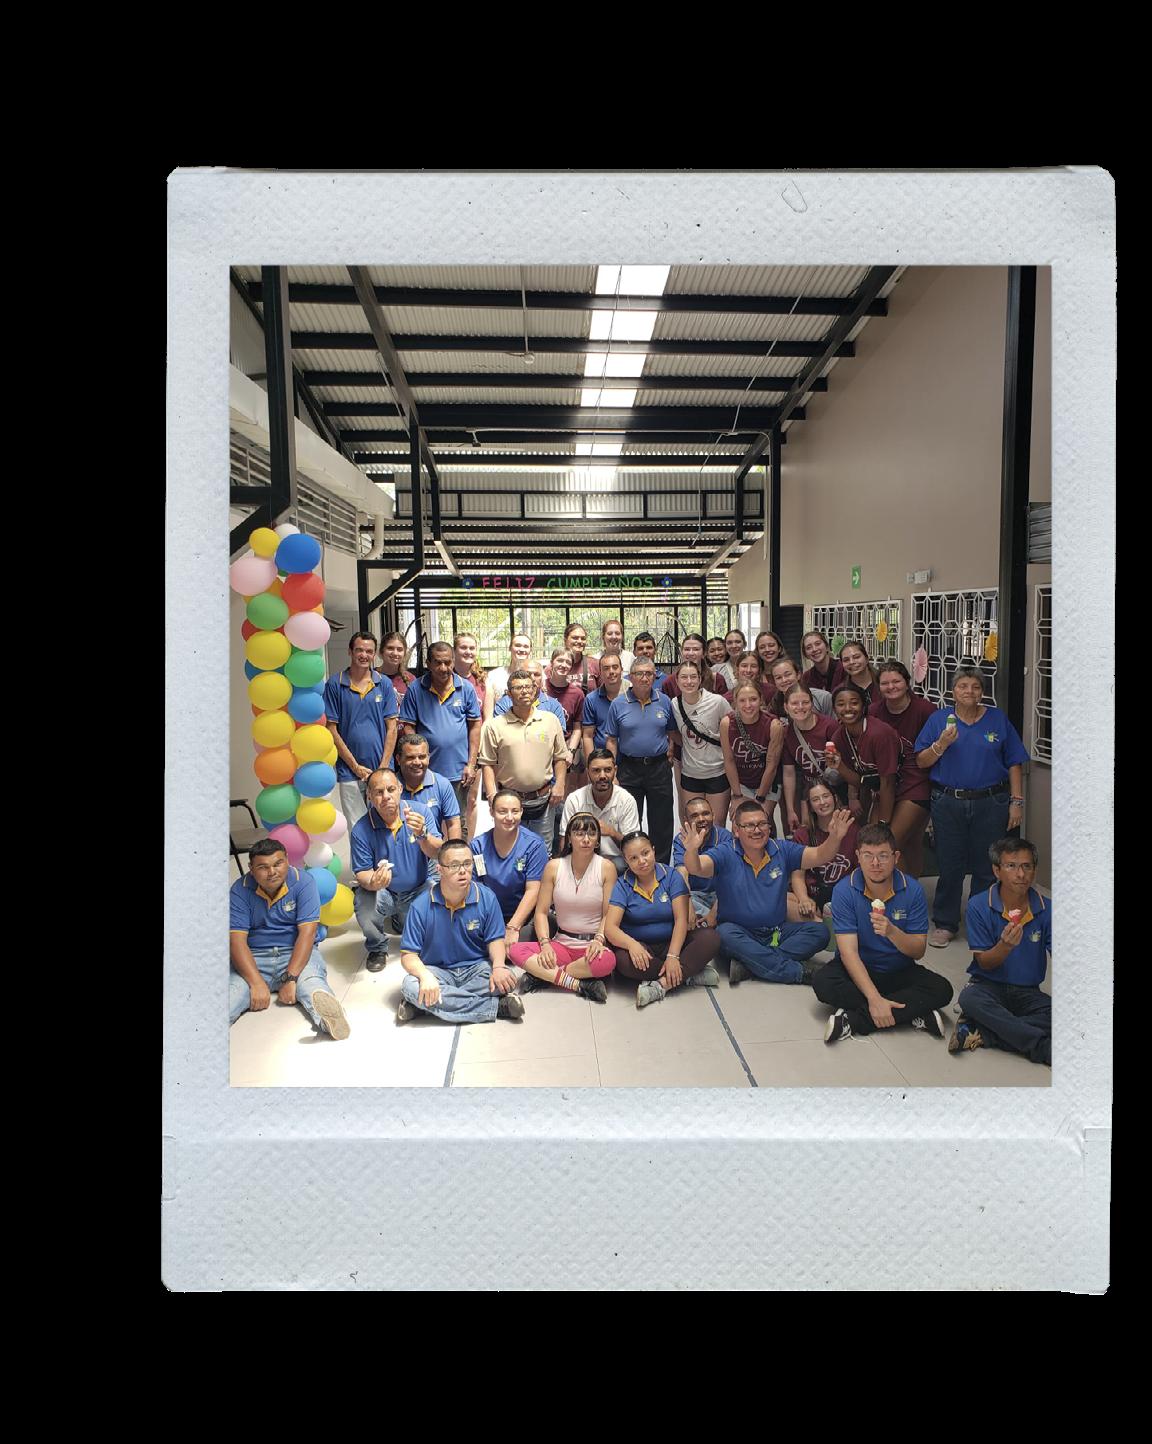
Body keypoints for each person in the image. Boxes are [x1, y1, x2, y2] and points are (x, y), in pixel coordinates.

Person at [680, 797, 853, 985]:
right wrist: (692, 850)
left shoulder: (782, 849)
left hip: (776, 933)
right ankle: (798, 973)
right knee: (724, 934)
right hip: (738, 933)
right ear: (736, 830)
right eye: (749, 825)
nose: (757, 830)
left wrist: (835, 838)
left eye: (762, 824)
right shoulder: (725, 852)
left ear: (769, 828)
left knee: (820, 932)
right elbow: (696, 867)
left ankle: (752, 964)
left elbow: (819, 855)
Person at [914, 665, 1029, 948]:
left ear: (982, 692)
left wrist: (1016, 802)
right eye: (963, 686)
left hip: (991, 802)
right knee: (949, 864)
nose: (969, 691)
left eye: (975, 687)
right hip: (948, 802)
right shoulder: (939, 720)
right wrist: (941, 744)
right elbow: (921, 761)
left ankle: (982, 922)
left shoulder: (997, 719)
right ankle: (945, 923)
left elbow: (1014, 762)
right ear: (953, 691)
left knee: (986, 865)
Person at [814, 822, 952, 1044]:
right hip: (857, 969)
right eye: (868, 855)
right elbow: (849, 953)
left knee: (942, 989)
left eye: (883, 856)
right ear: (858, 857)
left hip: (898, 969)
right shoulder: (844, 890)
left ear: (896, 857)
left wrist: (892, 932)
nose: (875, 863)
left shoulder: (912, 889)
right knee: (823, 982)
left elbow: (918, 951)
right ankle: (910, 1012)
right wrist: (874, 998)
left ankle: (853, 1020)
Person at [229, 838, 350, 1040]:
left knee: (311, 984)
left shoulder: (303, 882)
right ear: (251, 868)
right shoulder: (239, 889)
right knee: (232, 994)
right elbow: (237, 942)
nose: (272, 872)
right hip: (254, 957)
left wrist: (291, 978)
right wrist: (256, 982)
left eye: (278, 863)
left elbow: (307, 934)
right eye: (263, 867)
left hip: (295, 952)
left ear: (287, 860)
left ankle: (331, 1019)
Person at [397, 840, 525, 1025]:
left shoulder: (487, 897)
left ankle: (424, 1004)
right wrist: (425, 977)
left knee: (507, 979)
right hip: (437, 971)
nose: (463, 871)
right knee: (410, 985)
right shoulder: (420, 906)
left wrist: (498, 966)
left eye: (467, 863)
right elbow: (408, 955)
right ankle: (496, 1007)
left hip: (477, 968)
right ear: (439, 870)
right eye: (454, 866)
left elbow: (496, 940)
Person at [952, 837, 1051, 1064]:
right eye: (1011, 866)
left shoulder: (1048, 909)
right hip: (988, 986)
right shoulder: (979, 905)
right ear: (997, 871)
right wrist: (1004, 946)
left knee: (1070, 1016)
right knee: (969, 998)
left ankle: (988, 1033)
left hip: (1028, 991)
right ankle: (1040, 1046)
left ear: (1034, 870)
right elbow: (984, 963)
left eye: (1027, 866)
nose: (1021, 874)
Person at [606, 830, 722, 1006]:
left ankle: (663, 984)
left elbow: (681, 919)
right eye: (634, 858)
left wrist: (673, 956)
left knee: (710, 938)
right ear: (626, 861)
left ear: (653, 850)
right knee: (622, 961)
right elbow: (610, 928)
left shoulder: (671, 876)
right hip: (643, 947)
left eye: (645, 853)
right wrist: (632, 945)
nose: (642, 861)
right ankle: (688, 973)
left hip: (673, 942)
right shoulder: (622, 884)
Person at [508, 813, 616, 1000]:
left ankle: (543, 976)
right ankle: (579, 984)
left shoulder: (606, 867)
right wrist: (545, 944)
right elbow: (541, 912)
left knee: (608, 961)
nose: (586, 839)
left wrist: (599, 940)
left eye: (591, 834)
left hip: (592, 946)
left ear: (598, 840)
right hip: (561, 944)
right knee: (514, 950)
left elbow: (609, 913)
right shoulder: (554, 867)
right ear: (569, 838)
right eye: (579, 833)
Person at [350, 769, 442, 972]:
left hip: (419, 888)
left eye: (391, 789)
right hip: (386, 892)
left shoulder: (420, 813)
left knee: (438, 900)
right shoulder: (361, 829)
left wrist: (423, 834)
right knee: (363, 900)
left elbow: (438, 852)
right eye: (379, 792)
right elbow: (362, 872)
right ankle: (377, 947)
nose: (386, 797)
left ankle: (403, 922)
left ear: (400, 789)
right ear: (369, 795)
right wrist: (373, 881)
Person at [478, 667, 568, 849]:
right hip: (508, 801)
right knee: (510, 847)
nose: (525, 691)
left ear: (535, 690)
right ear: (509, 694)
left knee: (542, 849)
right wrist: (492, 795)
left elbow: (560, 757)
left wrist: (560, 785)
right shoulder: (494, 726)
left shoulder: (550, 720)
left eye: (529, 687)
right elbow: (487, 763)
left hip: (543, 799)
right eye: (518, 688)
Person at [398, 641, 481, 835]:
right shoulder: (415, 689)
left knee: (457, 822)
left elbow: (475, 726)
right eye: (437, 662)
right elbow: (408, 727)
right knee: (424, 821)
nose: (443, 668)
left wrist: (471, 764)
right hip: (425, 772)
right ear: (428, 663)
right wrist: (418, 759)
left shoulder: (466, 688)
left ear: (453, 662)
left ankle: (457, 854)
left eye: (447, 662)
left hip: (458, 772)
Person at [605, 656, 678, 864]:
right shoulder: (618, 704)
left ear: (654, 676)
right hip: (629, 768)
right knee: (629, 821)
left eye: (649, 674)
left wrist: (670, 751)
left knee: (662, 822)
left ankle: (661, 867)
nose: (644, 678)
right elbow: (611, 740)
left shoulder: (664, 701)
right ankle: (631, 865)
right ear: (631, 677)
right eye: (639, 674)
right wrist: (613, 772)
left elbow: (671, 732)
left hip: (658, 768)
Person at [323, 631, 398, 830]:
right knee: (357, 828)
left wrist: (383, 768)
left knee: (387, 825)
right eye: (359, 650)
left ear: (374, 654)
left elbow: (392, 728)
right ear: (350, 651)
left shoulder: (384, 683)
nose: (364, 655)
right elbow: (331, 729)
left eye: (369, 651)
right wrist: (355, 766)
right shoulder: (335, 684)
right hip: (349, 771)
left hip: (382, 769)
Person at [869, 660, 937, 876]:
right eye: (885, 683)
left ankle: (901, 891)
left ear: (907, 683)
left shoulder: (925, 710)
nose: (891, 687)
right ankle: (911, 888)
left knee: (890, 843)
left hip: (918, 782)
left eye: (896, 681)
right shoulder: (874, 711)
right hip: (886, 782)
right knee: (904, 842)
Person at [470, 789, 550, 950]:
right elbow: (477, 888)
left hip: (524, 917)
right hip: (489, 915)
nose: (509, 817)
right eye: (502, 811)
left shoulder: (534, 845)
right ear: (491, 812)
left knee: (514, 949)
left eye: (515, 811)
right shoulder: (478, 846)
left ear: (521, 812)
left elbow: (533, 890)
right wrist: (492, 925)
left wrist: (513, 927)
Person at [669, 659, 732, 827]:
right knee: (695, 824)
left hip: (717, 772)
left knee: (716, 824)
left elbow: (733, 729)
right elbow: (673, 732)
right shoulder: (674, 704)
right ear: (677, 681)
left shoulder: (717, 702)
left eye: (693, 677)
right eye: (684, 677)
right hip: (690, 773)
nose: (689, 681)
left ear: (700, 679)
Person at [828, 685, 900, 828]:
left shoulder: (879, 734)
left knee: (886, 836)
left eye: (854, 703)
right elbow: (860, 782)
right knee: (867, 834)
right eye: (841, 704)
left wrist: (883, 824)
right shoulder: (839, 737)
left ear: (863, 706)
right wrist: (839, 766)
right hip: (878, 790)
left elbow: (888, 783)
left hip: (906, 784)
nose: (848, 708)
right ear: (834, 710)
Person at [560, 747, 640, 875]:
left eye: (608, 770)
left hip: (616, 860)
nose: (602, 776)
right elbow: (564, 840)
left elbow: (634, 846)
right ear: (588, 773)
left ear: (615, 771)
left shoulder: (627, 800)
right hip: (582, 858)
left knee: (620, 865)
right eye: (596, 771)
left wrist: (612, 833)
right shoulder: (574, 799)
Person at [789, 775, 860, 913]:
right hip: (813, 899)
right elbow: (797, 876)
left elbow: (860, 872)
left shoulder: (853, 830)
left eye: (826, 796)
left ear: (835, 798)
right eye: (815, 799)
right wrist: (804, 899)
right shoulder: (802, 835)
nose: (822, 802)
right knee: (786, 902)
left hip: (845, 897)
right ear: (810, 806)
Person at [720, 682, 786, 827]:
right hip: (742, 782)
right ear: (735, 702)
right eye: (742, 700)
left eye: (753, 699)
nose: (748, 705)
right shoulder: (727, 723)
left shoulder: (774, 725)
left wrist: (760, 798)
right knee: (740, 825)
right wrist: (737, 796)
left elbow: (772, 766)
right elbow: (729, 760)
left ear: (761, 699)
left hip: (768, 782)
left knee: (761, 821)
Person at [779, 683, 841, 834]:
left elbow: (844, 762)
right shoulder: (787, 733)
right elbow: (789, 773)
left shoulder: (829, 726)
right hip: (808, 789)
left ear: (812, 704)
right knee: (810, 831)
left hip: (834, 788)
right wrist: (791, 810)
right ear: (786, 707)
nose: (800, 707)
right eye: (794, 703)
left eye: (805, 702)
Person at [671, 795, 734, 925]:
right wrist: (688, 906)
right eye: (694, 815)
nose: (701, 819)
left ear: (713, 815)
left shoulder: (725, 837)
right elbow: (682, 874)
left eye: (706, 814)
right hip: (695, 895)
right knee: (675, 905)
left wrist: (714, 913)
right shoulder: (681, 839)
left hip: (721, 895)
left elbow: (730, 880)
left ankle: (706, 923)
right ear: (686, 820)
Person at [393, 732, 462, 840]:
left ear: (428, 758)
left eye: (422, 757)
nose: (417, 762)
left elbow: (453, 824)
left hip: (431, 846)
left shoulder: (442, 784)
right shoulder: (389, 788)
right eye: (410, 757)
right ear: (398, 759)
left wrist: (453, 849)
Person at [453, 631, 489, 836]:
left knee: (471, 800)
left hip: (475, 749)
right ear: (454, 650)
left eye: (472, 648)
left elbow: (487, 718)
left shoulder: (481, 681)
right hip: (453, 749)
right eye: (463, 647)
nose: (468, 651)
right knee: (451, 802)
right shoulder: (446, 678)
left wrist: (477, 754)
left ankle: (469, 844)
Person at [544, 647, 586, 798]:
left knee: (562, 796)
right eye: (560, 660)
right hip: (542, 748)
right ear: (551, 663)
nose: (563, 665)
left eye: (568, 662)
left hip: (564, 750)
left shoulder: (577, 694)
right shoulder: (541, 689)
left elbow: (577, 728)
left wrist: (570, 752)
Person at [493, 659, 568, 728]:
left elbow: (558, 735)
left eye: (537, 675)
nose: (532, 678)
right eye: (527, 674)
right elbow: (500, 732)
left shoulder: (554, 706)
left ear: (542, 679)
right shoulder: (504, 704)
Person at [581, 651, 625, 760]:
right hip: (603, 761)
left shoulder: (632, 694)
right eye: (606, 668)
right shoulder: (591, 699)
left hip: (630, 760)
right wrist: (591, 764)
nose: (611, 671)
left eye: (615, 667)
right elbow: (587, 736)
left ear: (622, 670)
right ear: (600, 673)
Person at [660, 634, 725, 700]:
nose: (691, 653)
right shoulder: (670, 682)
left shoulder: (716, 679)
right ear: (682, 652)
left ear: (704, 653)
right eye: (687, 649)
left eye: (696, 649)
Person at [768, 656, 832, 716]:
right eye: (778, 678)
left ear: (798, 675)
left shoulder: (823, 698)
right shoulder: (775, 703)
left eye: (788, 674)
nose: (784, 680)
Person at [487, 633, 534, 707]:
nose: (522, 649)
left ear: (530, 650)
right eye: (518, 645)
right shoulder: (494, 676)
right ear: (509, 648)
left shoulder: (537, 675)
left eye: (526, 646)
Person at [800, 630, 846, 695]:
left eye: (818, 644)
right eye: (809, 647)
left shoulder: (843, 668)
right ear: (806, 655)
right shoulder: (806, 678)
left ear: (827, 647)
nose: (814, 649)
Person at [837, 641, 880, 709]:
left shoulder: (883, 682)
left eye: (856, 657)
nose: (851, 662)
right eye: (846, 660)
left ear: (866, 658)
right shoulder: (840, 691)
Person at [379, 630, 417, 704]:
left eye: (399, 650)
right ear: (381, 651)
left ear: (404, 653)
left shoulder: (411, 679)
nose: (395, 653)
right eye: (390, 648)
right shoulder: (371, 677)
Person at [562, 621, 600, 694]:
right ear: (565, 640)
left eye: (583, 638)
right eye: (575, 638)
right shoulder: (555, 667)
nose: (579, 641)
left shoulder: (595, 665)